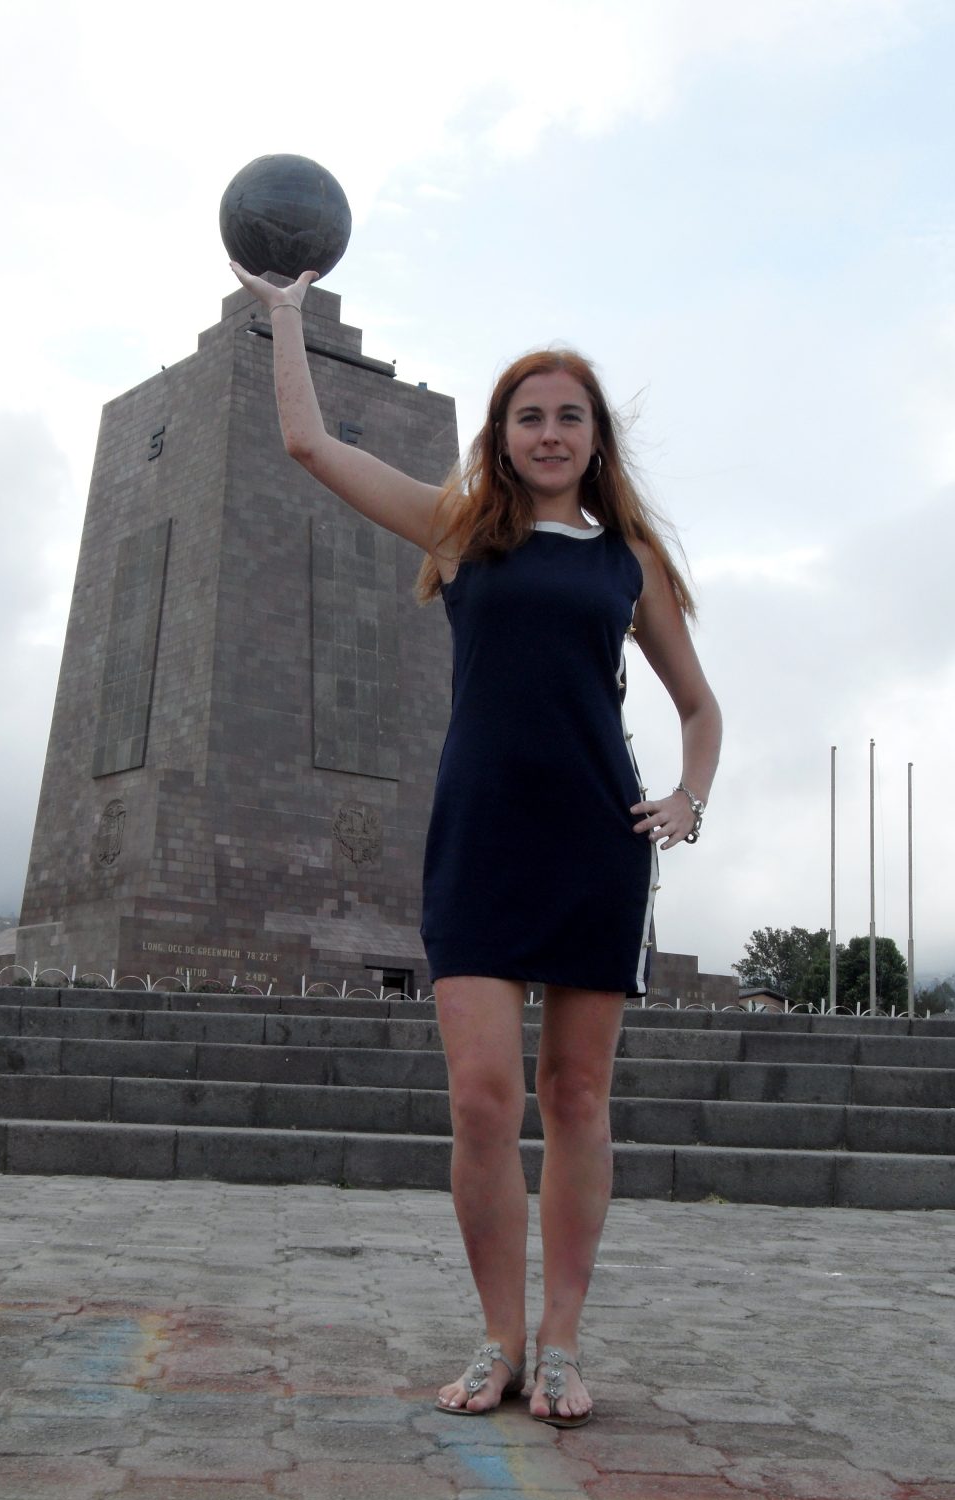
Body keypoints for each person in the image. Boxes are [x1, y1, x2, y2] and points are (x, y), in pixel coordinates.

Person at [229, 261, 722, 1428]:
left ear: (595, 440)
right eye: (528, 415)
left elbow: (700, 706)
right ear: (500, 437)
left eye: (569, 416)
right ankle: (499, 1337)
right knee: (487, 1102)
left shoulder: (627, 563)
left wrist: (689, 799)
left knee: (580, 1094)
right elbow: (309, 447)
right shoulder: (460, 533)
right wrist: (286, 320)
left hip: (599, 844)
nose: (549, 432)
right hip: (482, 842)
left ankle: (561, 1345)